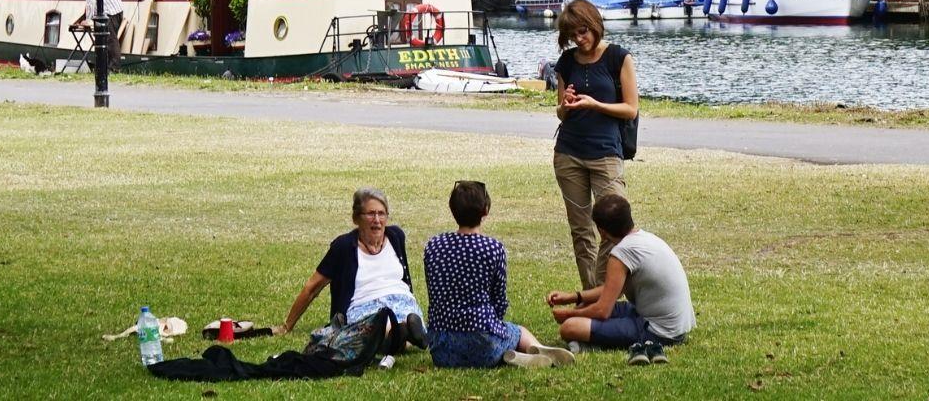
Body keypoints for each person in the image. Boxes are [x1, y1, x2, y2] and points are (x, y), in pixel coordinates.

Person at [423, 180, 575, 370]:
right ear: (485, 211)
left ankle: (514, 357)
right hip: (484, 343)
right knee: (518, 331)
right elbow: (499, 300)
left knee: (494, 336)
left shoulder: (434, 245)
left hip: (442, 349)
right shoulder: (493, 248)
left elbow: (434, 293)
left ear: (452, 209)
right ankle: (535, 350)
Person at [275, 188, 426, 358]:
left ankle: (400, 335)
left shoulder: (396, 236)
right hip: (364, 306)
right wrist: (287, 325)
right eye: (370, 214)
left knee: (395, 323)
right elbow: (312, 288)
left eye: (381, 214)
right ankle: (406, 335)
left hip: (402, 301)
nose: (377, 220)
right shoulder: (343, 246)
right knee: (381, 325)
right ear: (356, 218)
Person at [551, 0, 639, 289]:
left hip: (606, 154)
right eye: (573, 34)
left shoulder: (618, 58)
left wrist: (595, 104)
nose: (580, 38)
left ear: (596, 25)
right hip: (569, 154)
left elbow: (631, 109)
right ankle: (592, 295)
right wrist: (567, 104)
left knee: (614, 227)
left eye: (584, 31)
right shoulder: (566, 63)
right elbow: (560, 111)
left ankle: (608, 292)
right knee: (581, 231)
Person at [547, 194, 694, 365]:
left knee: (569, 327)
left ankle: (594, 345)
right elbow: (612, 290)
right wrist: (574, 297)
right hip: (669, 323)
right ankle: (599, 337)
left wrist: (568, 314)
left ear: (602, 231)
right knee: (584, 307)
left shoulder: (621, 254)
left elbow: (603, 311)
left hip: (659, 331)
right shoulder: (644, 238)